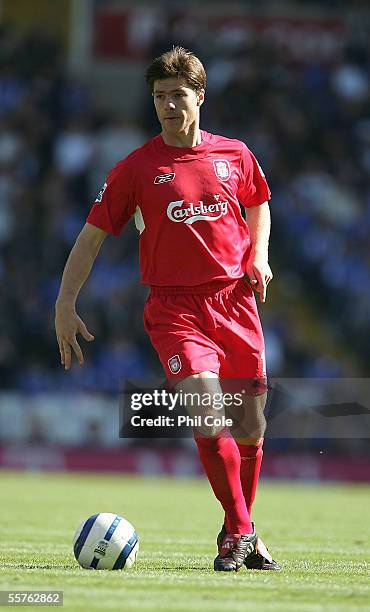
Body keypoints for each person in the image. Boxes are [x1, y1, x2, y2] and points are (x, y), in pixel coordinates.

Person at [55, 46, 279, 572]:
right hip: (174, 308)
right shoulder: (137, 168)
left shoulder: (235, 154)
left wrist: (259, 256)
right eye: (159, 97)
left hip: (235, 302)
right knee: (207, 410)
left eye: (178, 95)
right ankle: (243, 533)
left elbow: (258, 202)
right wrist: (66, 302)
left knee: (250, 427)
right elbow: (90, 239)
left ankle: (236, 531)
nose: (168, 106)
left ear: (200, 96)